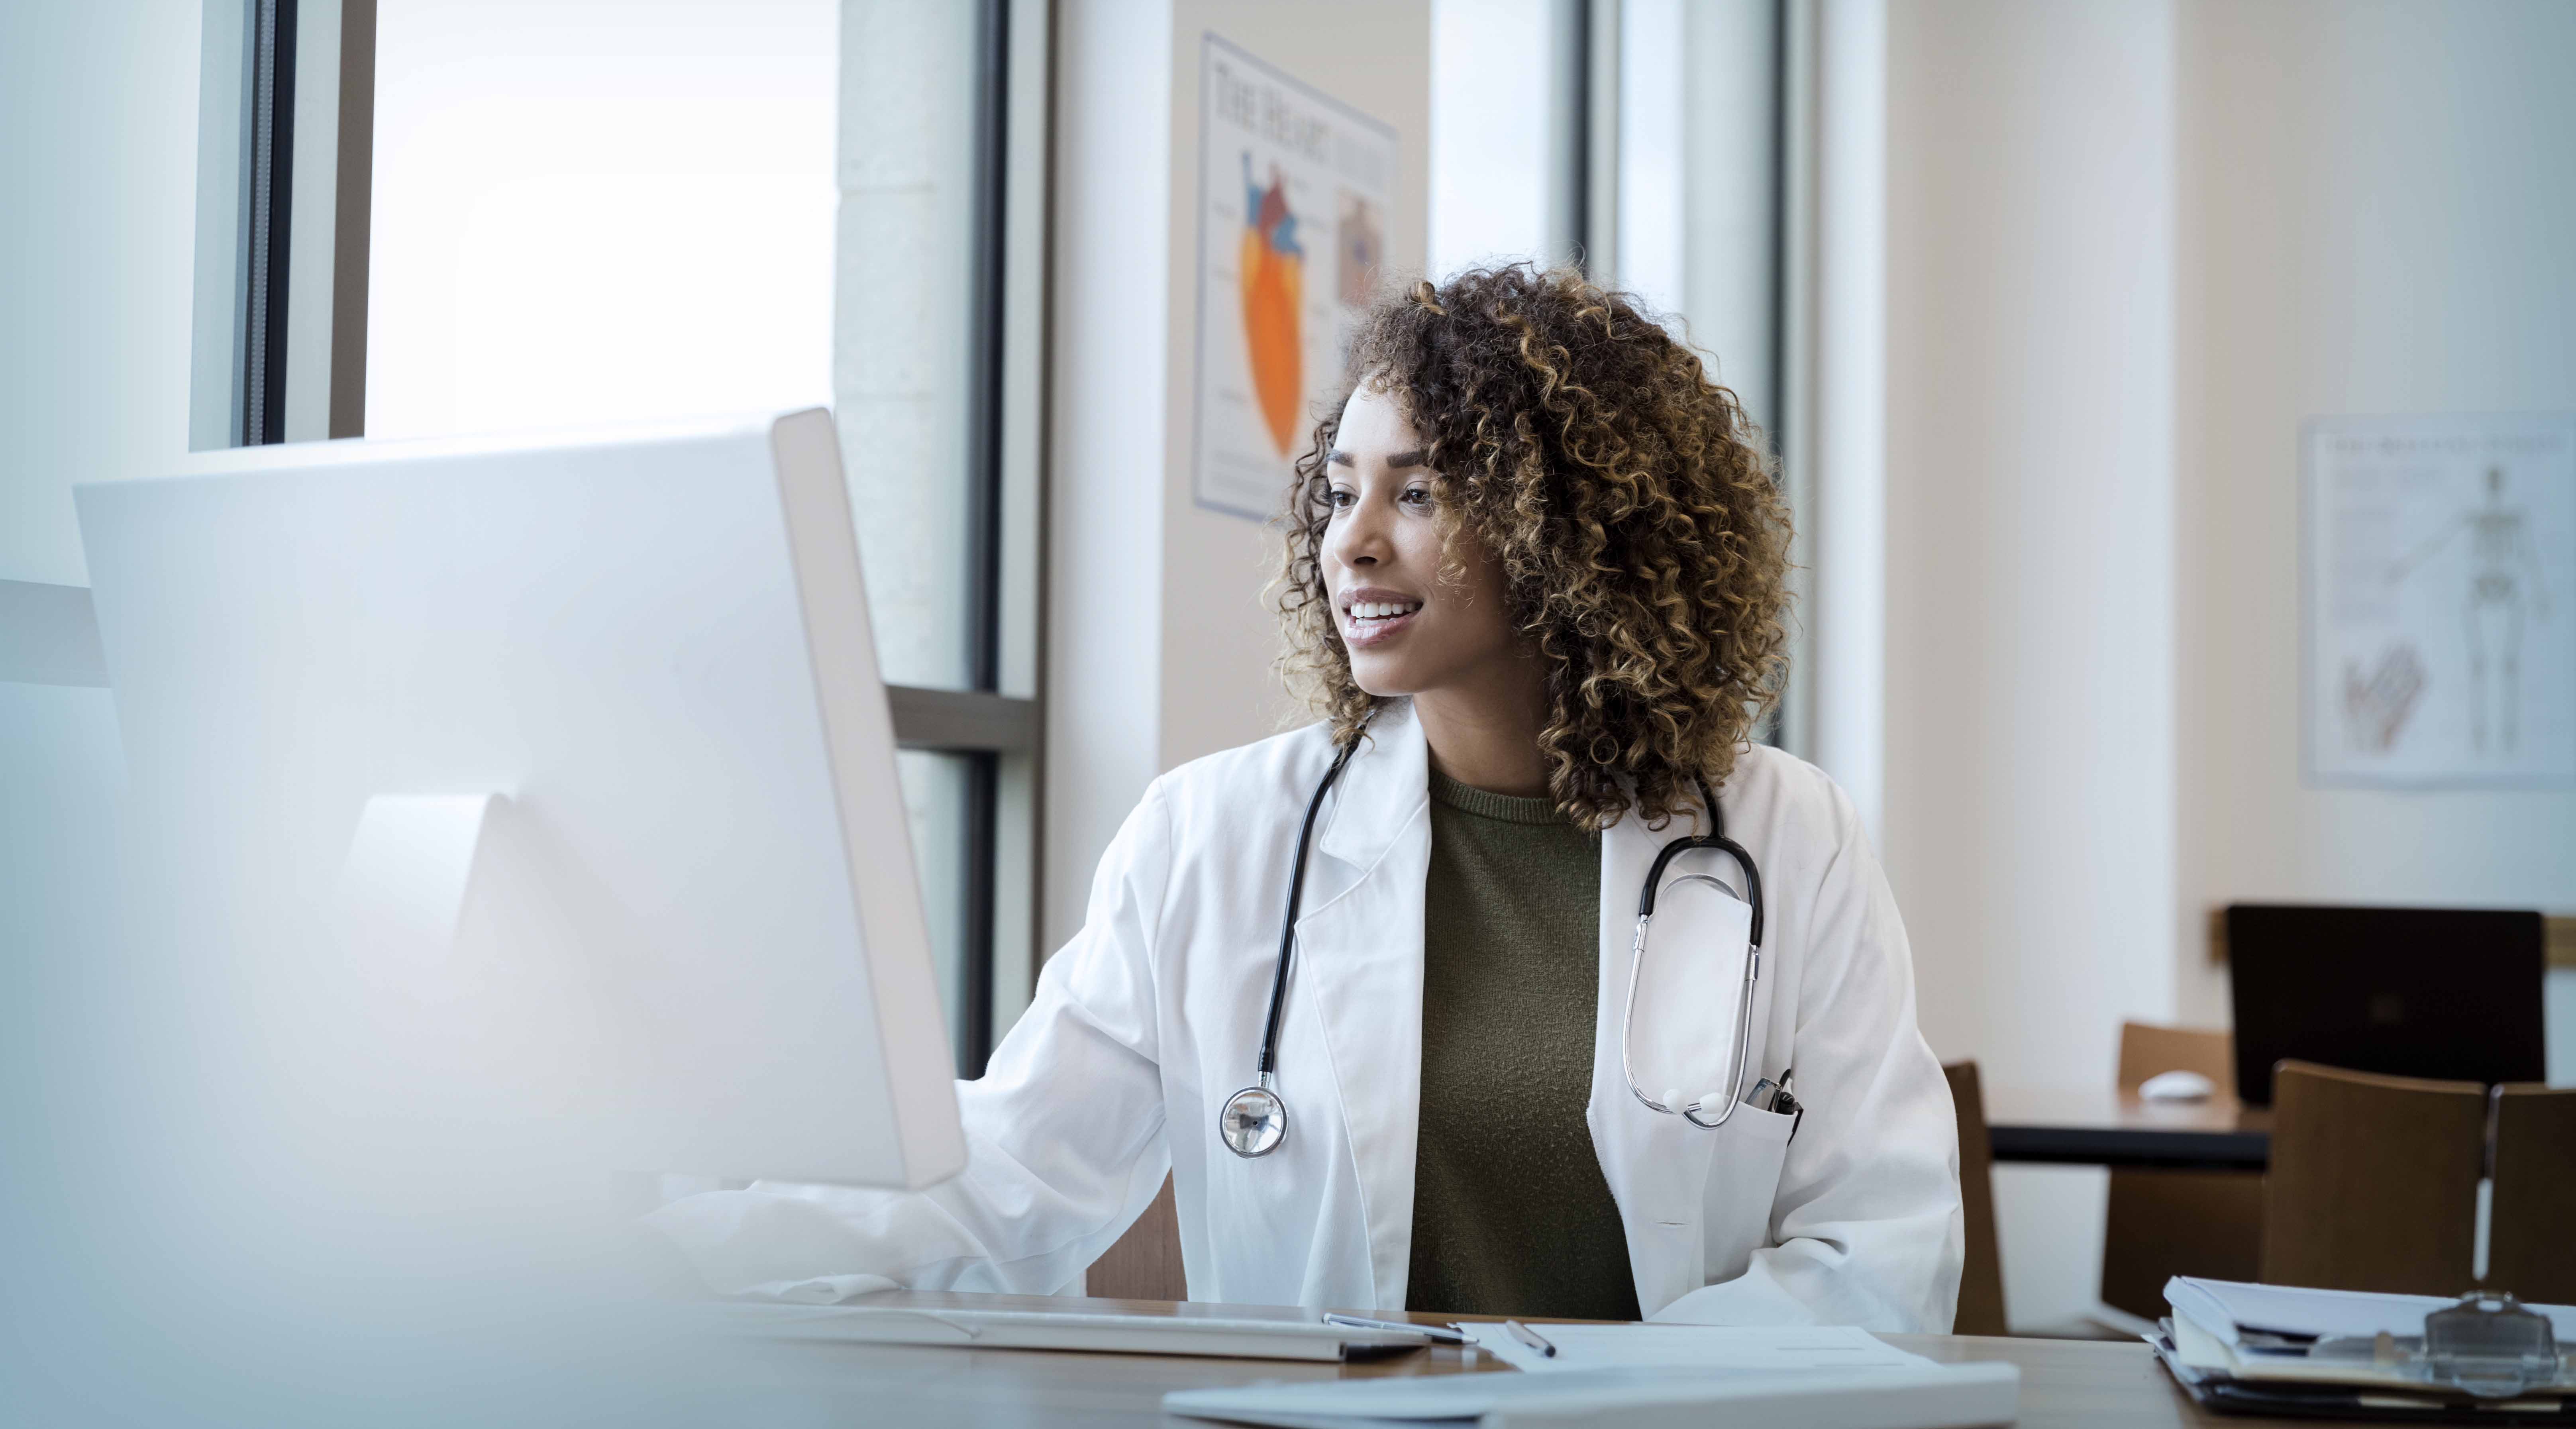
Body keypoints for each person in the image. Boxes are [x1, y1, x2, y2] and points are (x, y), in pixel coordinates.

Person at [651, 265, 1962, 1330]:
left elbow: (1879, 1252)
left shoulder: (1787, 839)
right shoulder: (1211, 836)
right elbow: (1003, 1182)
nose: (1352, 541)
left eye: (1421, 492)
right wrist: (667, 1240)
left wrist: (1597, 1401)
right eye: (1340, 492)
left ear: (1571, 532)